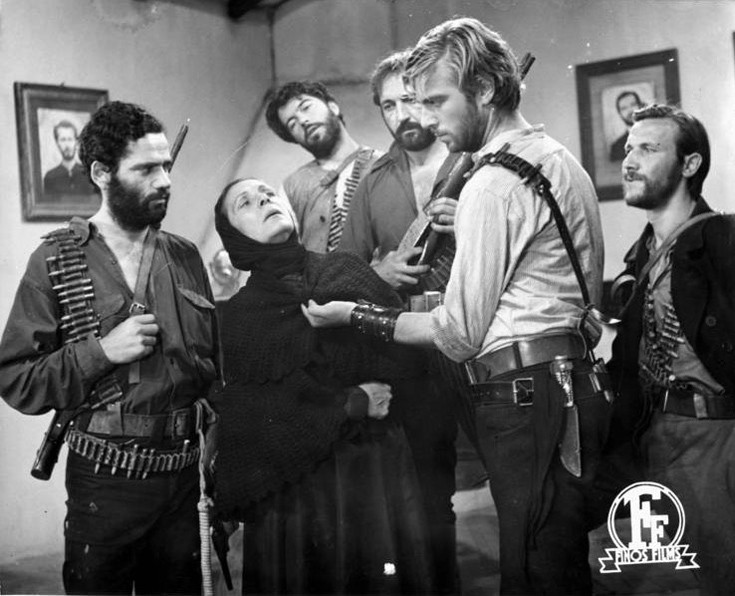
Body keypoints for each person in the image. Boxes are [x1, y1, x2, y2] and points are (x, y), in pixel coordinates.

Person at [304, 17, 612, 595]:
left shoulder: (492, 183)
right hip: (567, 385)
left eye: (437, 101)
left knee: (532, 570)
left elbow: (458, 334)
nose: (426, 119)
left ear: (486, 89)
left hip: (523, 396)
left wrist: (354, 315)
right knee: (554, 559)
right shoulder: (555, 157)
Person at [0, 101, 219, 595]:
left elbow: (212, 370)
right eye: (146, 169)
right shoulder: (56, 258)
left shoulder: (184, 255)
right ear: (102, 173)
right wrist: (101, 352)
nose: (165, 180)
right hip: (107, 479)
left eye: (166, 165)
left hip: (186, 476)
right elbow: (16, 378)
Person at [211, 178, 438, 594]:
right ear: (233, 236)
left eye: (268, 194)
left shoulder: (345, 269)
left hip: (369, 468)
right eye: (246, 203)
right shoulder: (241, 316)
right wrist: (352, 401)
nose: (264, 200)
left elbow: (407, 359)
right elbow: (256, 416)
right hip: (296, 486)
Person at [338, 49, 462, 593]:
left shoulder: (476, 163)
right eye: (388, 105)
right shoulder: (372, 179)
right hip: (410, 351)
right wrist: (379, 272)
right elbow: (340, 273)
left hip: (481, 341)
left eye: (410, 99)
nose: (401, 115)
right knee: (430, 495)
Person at [606, 104, 735, 595]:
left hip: (715, 436)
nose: (629, 160)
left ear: (689, 164)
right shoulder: (640, 254)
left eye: (648, 148)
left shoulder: (723, 239)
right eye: (628, 148)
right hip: (653, 433)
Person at [264, 81, 378, 253]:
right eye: (292, 124)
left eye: (306, 107)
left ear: (333, 107)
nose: (303, 120)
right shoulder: (291, 188)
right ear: (293, 139)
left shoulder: (384, 164)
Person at [43, 119, 96, 196]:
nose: (67, 145)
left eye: (70, 139)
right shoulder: (50, 177)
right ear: (57, 143)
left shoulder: (88, 174)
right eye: (63, 140)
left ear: (76, 142)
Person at [609, 90, 644, 162]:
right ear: (620, 114)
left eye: (633, 104)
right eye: (624, 108)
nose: (630, 110)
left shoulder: (656, 134)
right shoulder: (616, 147)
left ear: (640, 106)